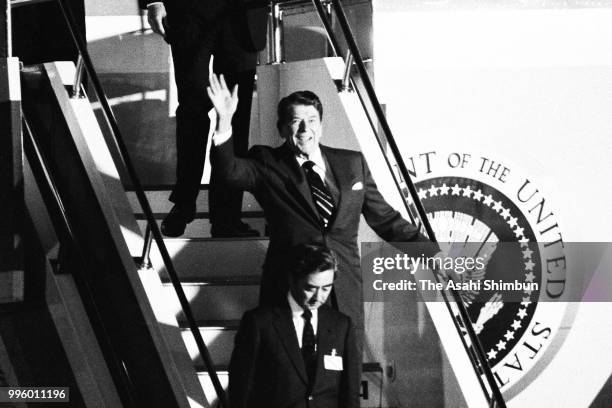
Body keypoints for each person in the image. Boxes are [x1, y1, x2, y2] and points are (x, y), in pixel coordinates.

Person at [207, 73, 440, 332]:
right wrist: (224, 121)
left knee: (347, 365)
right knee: (293, 366)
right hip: (290, 287)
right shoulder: (267, 161)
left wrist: (434, 256)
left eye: (312, 121)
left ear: (322, 126)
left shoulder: (352, 164)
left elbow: (386, 220)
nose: (305, 130)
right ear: (283, 129)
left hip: (344, 287)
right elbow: (229, 172)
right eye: (296, 122)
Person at [143, 0, 268, 237]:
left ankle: (226, 217)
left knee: (235, 116)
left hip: (245, 13)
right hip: (190, 12)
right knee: (192, 110)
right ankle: (184, 202)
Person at [228, 243, 360, 408]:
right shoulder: (259, 322)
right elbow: (240, 389)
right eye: (310, 288)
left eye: (326, 289)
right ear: (292, 280)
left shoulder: (342, 325)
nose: (318, 297)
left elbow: (350, 392)